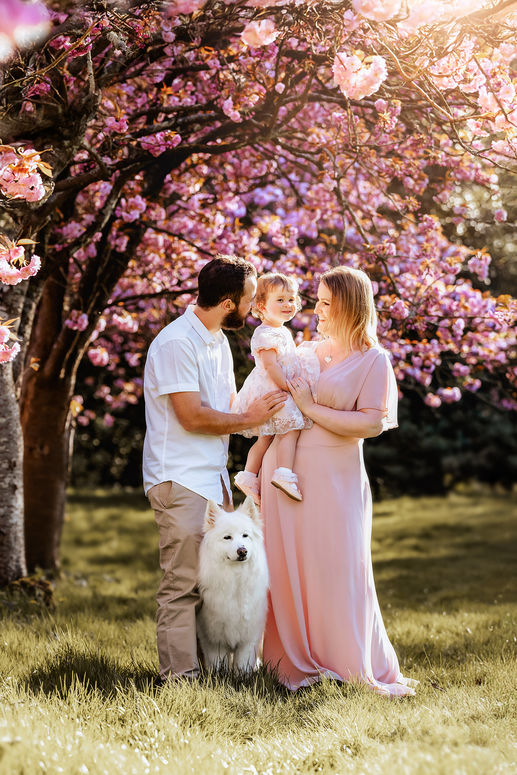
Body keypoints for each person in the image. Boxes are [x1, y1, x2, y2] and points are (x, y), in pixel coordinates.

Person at [260, 265, 418, 697]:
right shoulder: (308, 349)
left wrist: (311, 409)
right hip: (285, 476)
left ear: (349, 306)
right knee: (287, 565)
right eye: (317, 300)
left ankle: (348, 661)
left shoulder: (374, 360)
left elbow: (370, 424)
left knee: (337, 567)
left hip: (335, 479)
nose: (316, 309)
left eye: (326, 302)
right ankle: (286, 662)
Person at [142, 254, 286, 682]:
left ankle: (218, 671)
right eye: (249, 298)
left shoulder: (217, 339)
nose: (253, 305)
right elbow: (192, 417)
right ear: (228, 302)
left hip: (213, 478)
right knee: (183, 584)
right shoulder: (176, 343)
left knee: (211, 583)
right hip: (179, 477)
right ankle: (180, 679)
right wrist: (251, 418)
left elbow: (225, 408)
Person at [233, 273, 319, 505]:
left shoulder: (280, 330)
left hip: (275, 389)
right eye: (280, 300)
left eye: (291, 299)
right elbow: (271, 366)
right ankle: (284, 474)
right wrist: (288, 387)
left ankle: (249, 476)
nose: (287, 305)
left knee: (266, 437)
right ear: (261, 306)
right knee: (290, 431)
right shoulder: (266, 334)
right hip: (274, 390)